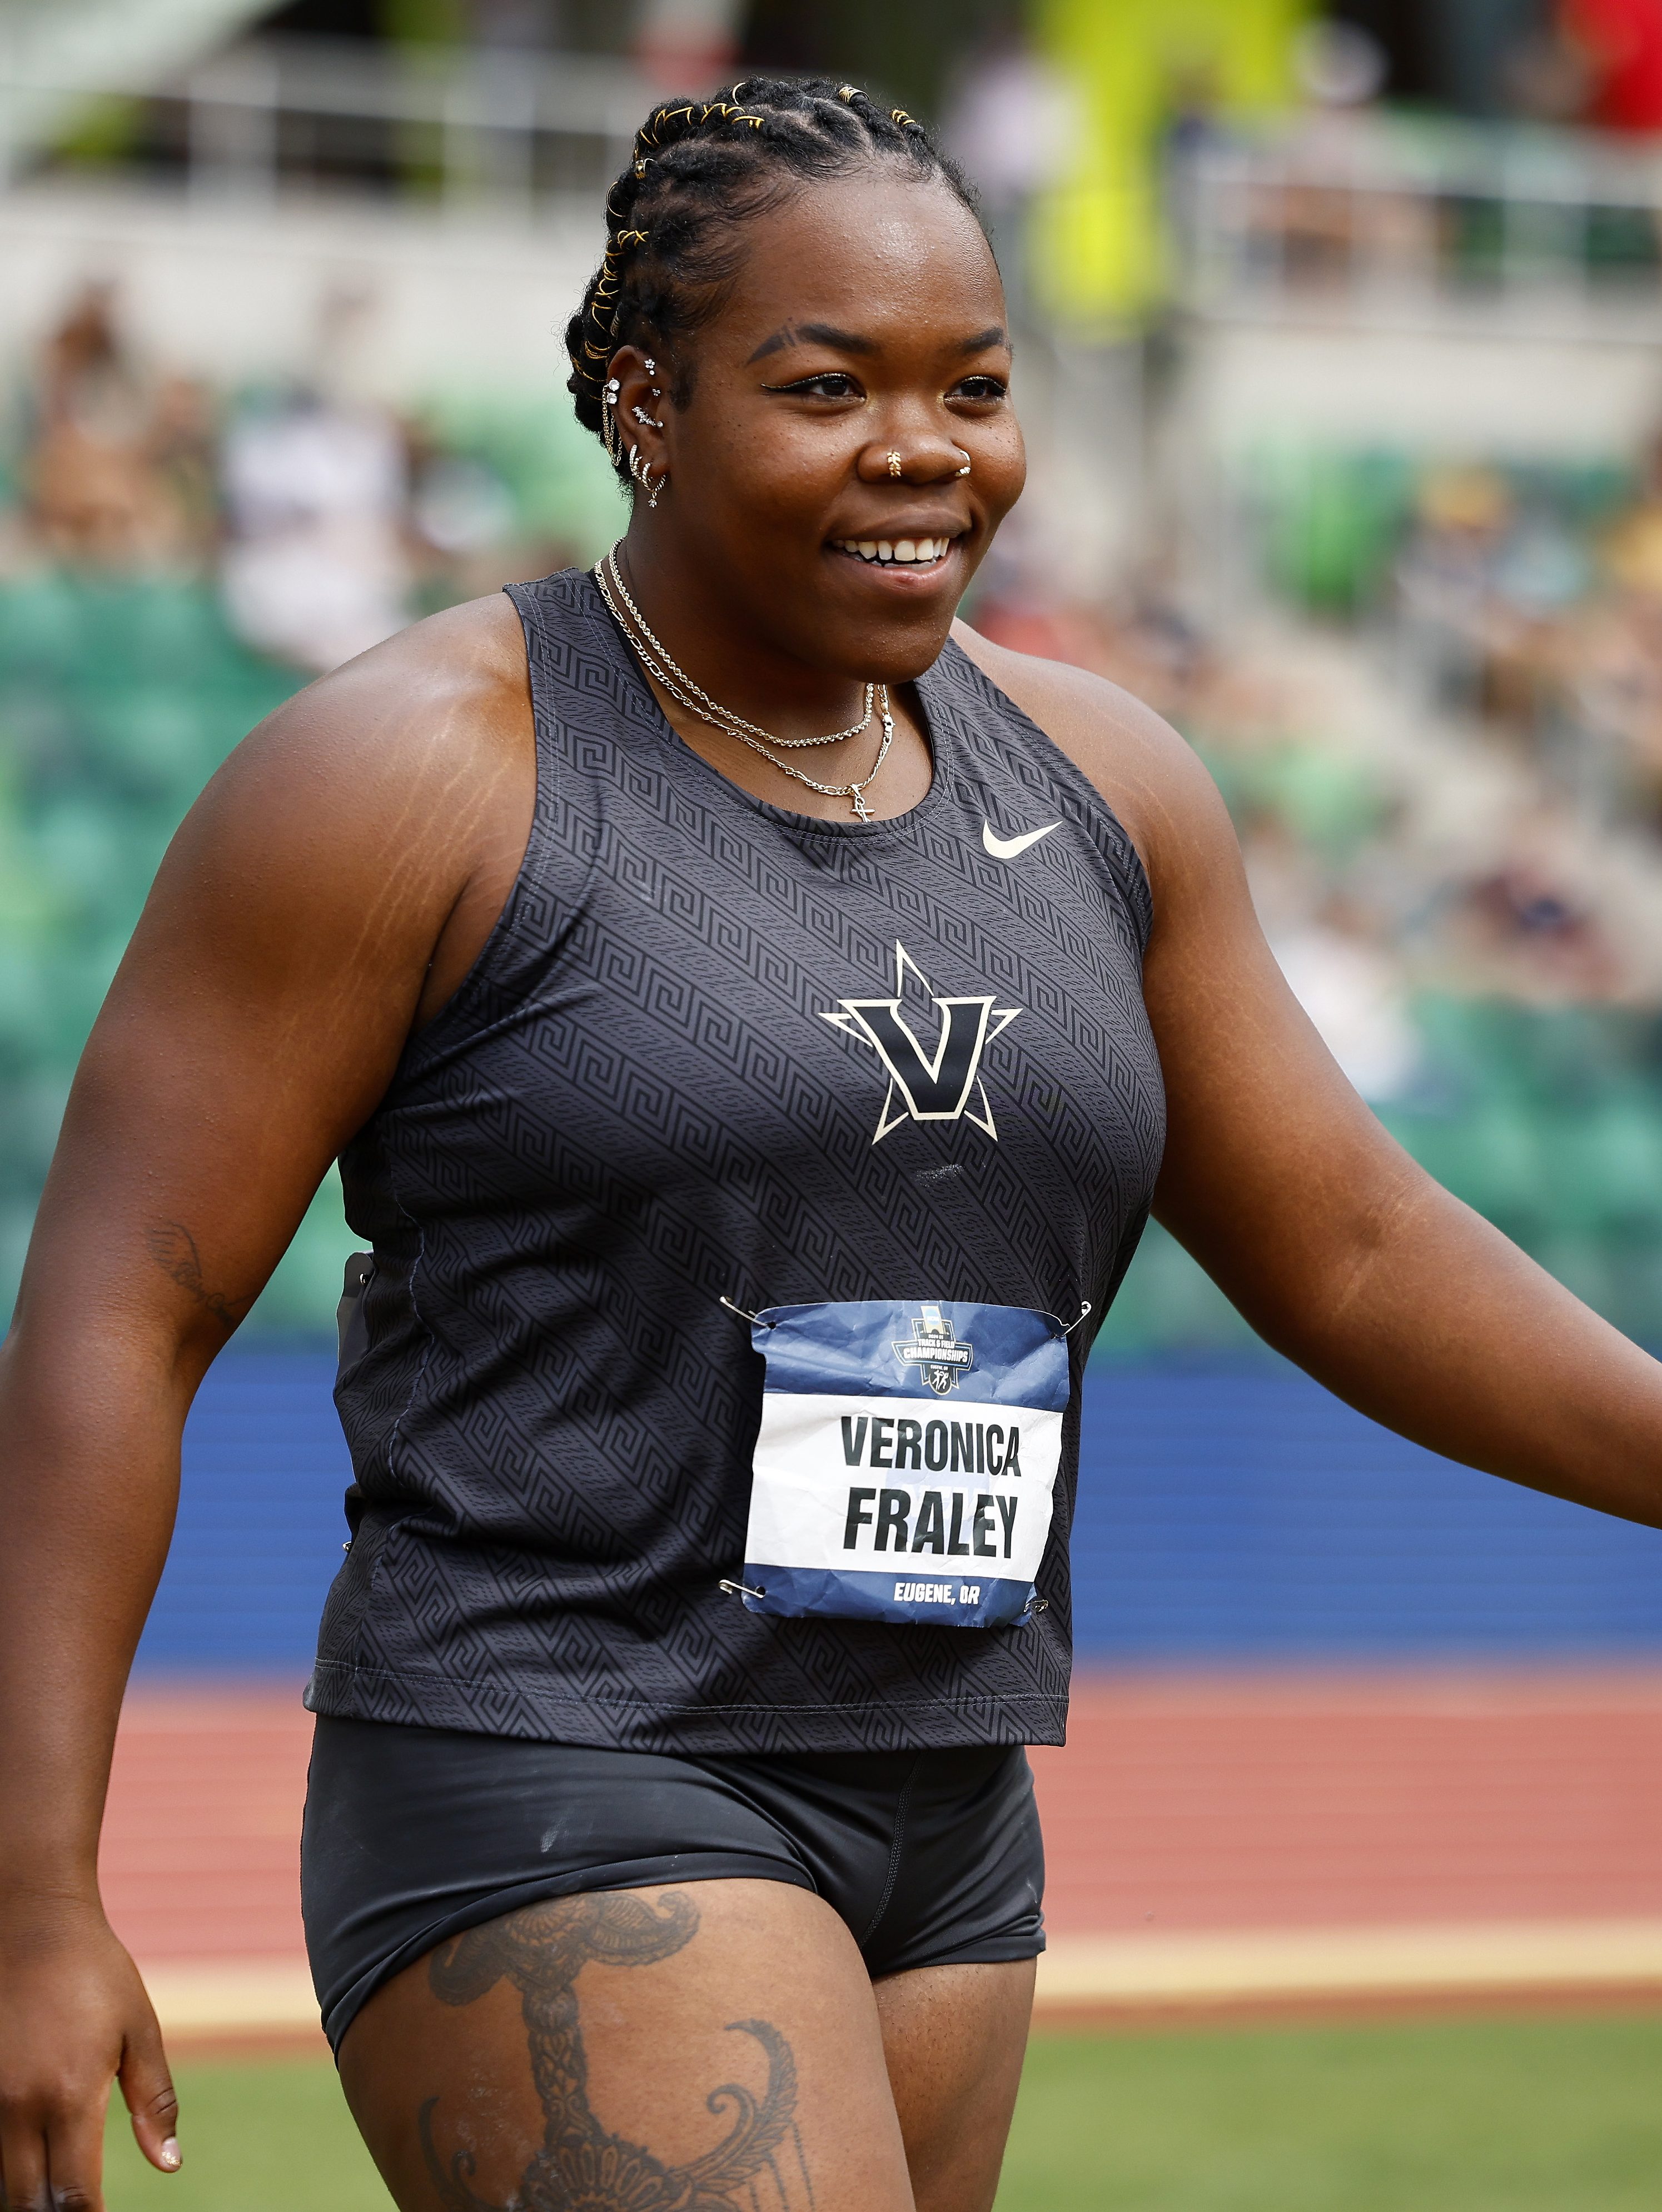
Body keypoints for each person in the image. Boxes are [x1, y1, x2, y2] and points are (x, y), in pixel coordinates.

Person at [2, 75, 1661, 2212]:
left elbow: (1350, 1239)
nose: (924, 448)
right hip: (561, 1756)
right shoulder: (412, 776)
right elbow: (117, 1314)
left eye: (974, 384)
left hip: (948, 1800)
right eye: (826, 386)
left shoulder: (1111, 783)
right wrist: (32, 1889)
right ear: (649, 402)